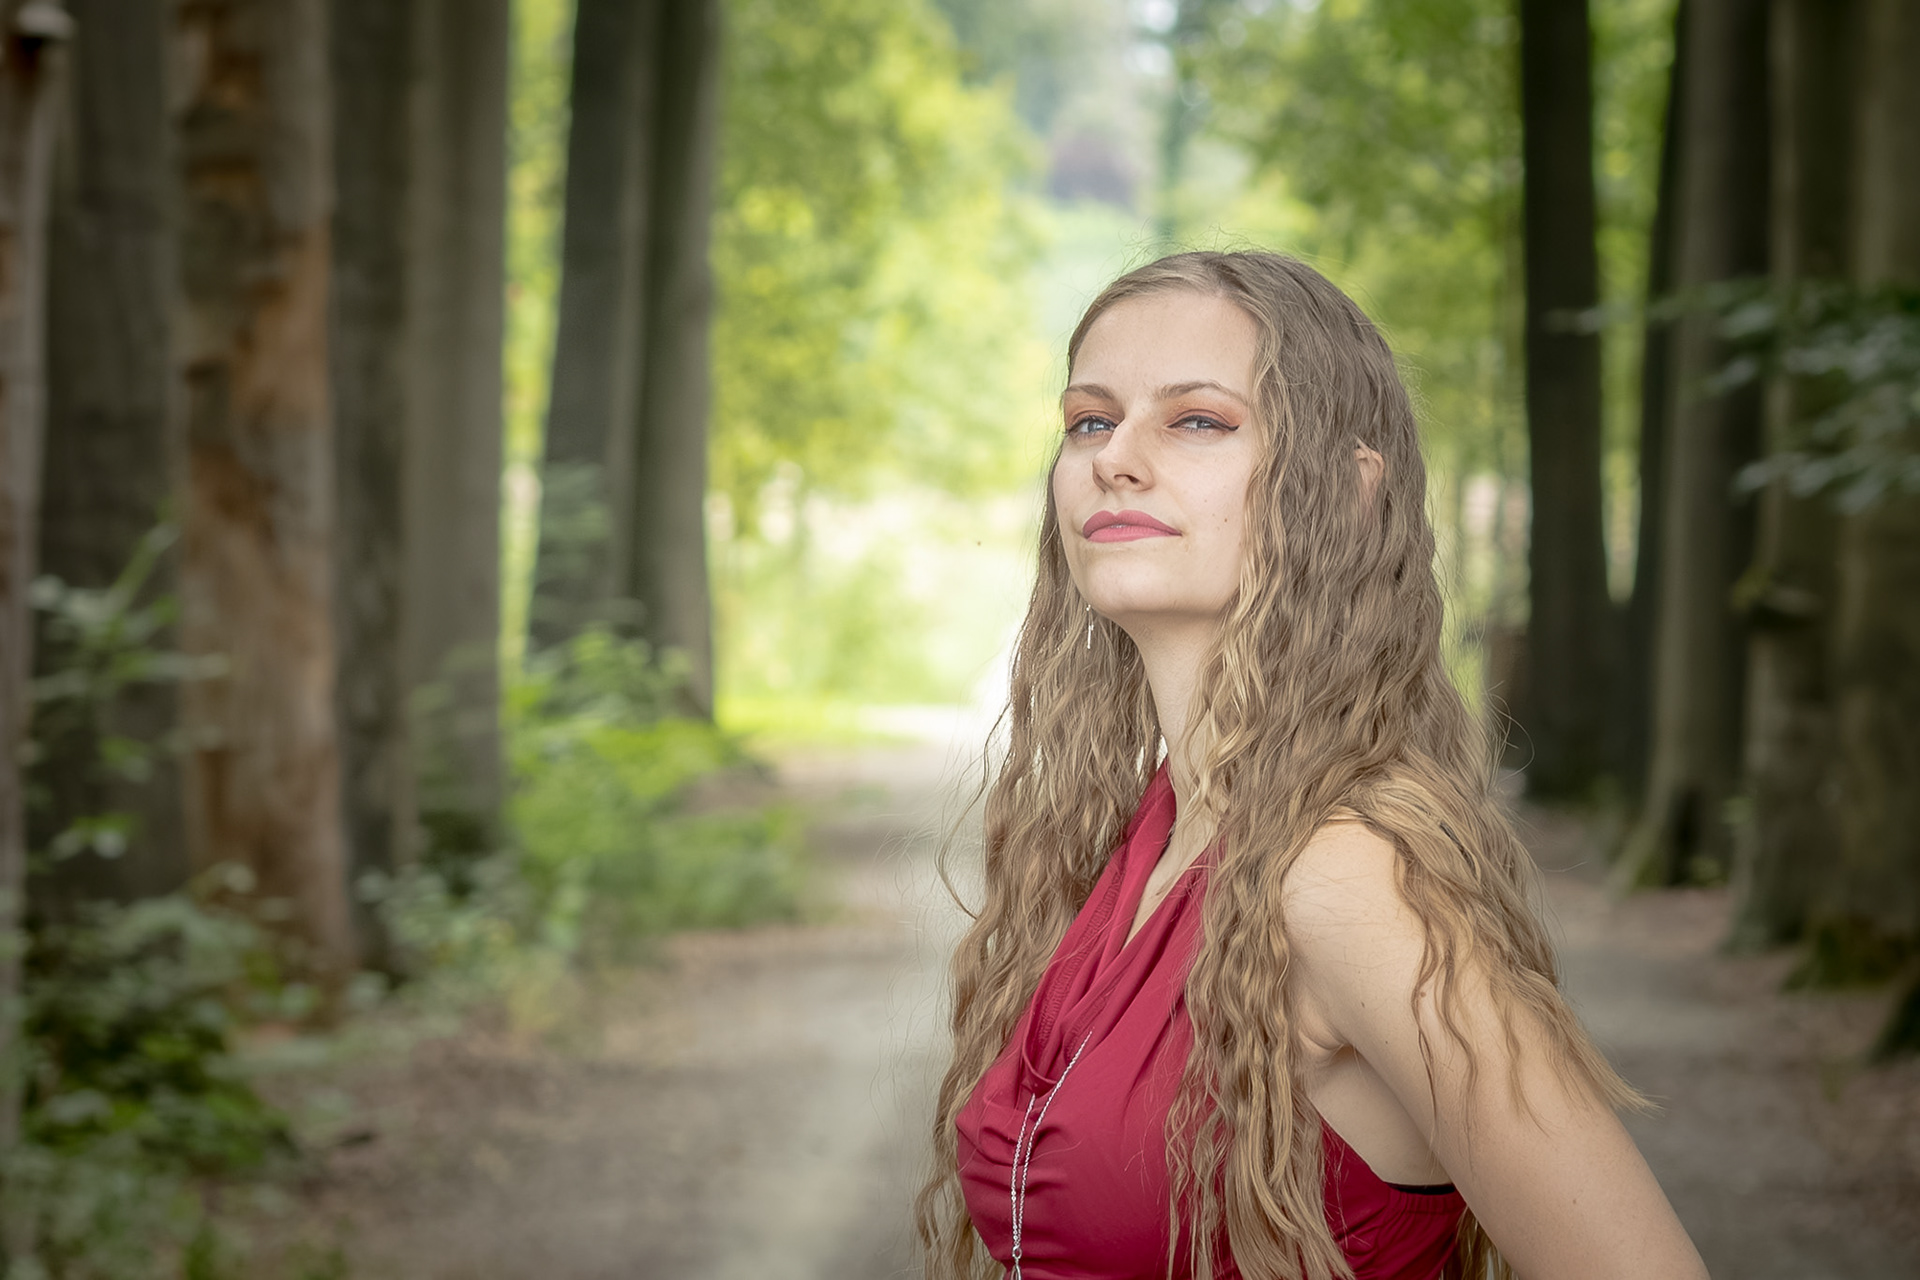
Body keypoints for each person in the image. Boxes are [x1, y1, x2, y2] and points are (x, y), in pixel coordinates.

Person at [914, 251, 1708, 1280]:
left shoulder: (1345, 873)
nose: (1117, 457)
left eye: (1197, 419)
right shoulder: (1139, 842)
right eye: (1090, 420)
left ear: (1343, 484)